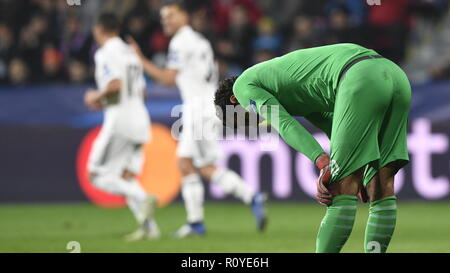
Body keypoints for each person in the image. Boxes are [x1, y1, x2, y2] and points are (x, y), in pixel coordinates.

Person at [214, 43, 411, 253]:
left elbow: (285, 125)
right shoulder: (293, 88)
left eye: (243, 120)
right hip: (395, 75)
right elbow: (333, 123)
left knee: (339, 189)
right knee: (380, 185)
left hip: (359, 77)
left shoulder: (243, 86)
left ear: (235, 100)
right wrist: (354, 166)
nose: (253, 123)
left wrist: (324, 162)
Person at [128, 0, 267, 238]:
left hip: (197, 109)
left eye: (170, 15)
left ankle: (195, 223)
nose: (166, 21)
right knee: (202, 166)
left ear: (184, 16)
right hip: (209, 107)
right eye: (163, 18)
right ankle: (250, 196)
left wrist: (141, 60)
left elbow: (170, 78)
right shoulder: (201, 41)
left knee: (184, 162)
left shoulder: (180, 42)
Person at [84, 13, 159, 241]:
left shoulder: (106, 52)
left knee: (95, 174)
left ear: (99, 29)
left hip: (120, 121)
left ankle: (142, 195)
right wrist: (105, 100)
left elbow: (115, 84)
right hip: (140, 118)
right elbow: (142, 90)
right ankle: (149, 229)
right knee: (125, 176)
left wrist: (94, 96)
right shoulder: (130, 52)